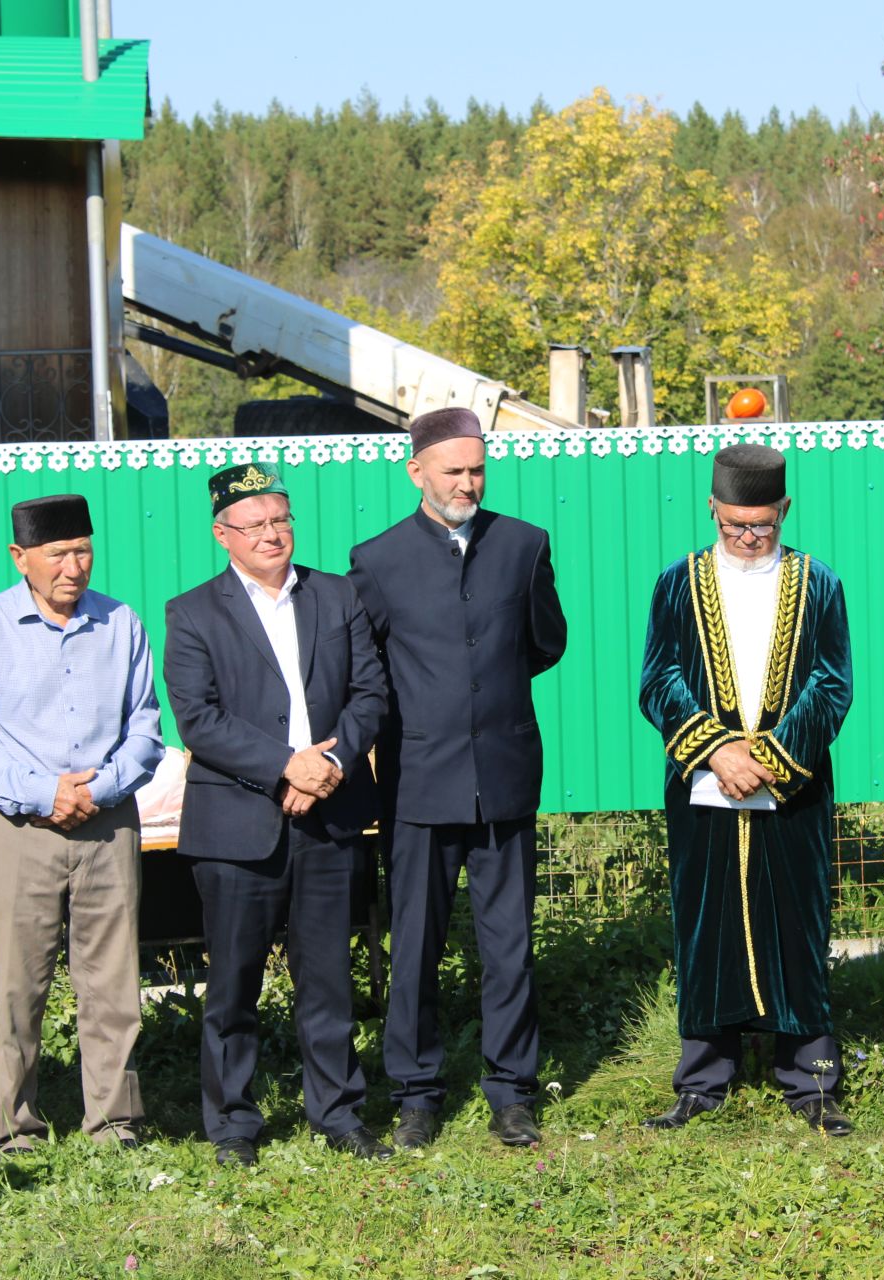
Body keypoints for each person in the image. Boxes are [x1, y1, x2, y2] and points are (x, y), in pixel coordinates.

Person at [349, 407, 567, 1150]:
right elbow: (365, 670)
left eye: (477, 470)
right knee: (414, 945)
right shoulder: (376, 561)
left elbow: (545, 642)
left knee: (509, 944)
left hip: (504, 776)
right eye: (454, 472)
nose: (468, 483)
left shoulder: (524, 545)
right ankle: (416, 1094)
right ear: (417, 473)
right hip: (417, 784)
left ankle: (511, 1092)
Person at [164, 462, 391, 1166]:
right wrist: (283, 767)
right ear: (222, 535)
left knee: (327, 979)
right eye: (255, 524)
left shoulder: (335, 595)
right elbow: (199, 720)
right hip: (237, 828)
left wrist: (326, 766)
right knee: (233, 985)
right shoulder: (193, 611)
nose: (272, 534)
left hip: (328, 817)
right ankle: (233, 1123)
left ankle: (339, 1113)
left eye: (281, 520)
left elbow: (370, 693)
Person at [637, 444, 856, 1136]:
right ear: (713, 510)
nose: (749, 538)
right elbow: (659, 678)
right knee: (706, 928)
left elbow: (831, 681)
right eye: (735, 525)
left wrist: (772, 757)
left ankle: (812, 1081)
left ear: (784, 511)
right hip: (704, 786)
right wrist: (716, 750)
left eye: (761, 524)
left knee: (798, 923)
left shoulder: (818, 583)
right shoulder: (678, 584)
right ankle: (703, 1079)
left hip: (793, 788)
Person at [0, 494, 166, 1155]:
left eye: (83, 551)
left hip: (108, 822)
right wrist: (44, 793)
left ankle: (114, 1121)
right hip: (21, 830)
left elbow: (145, 727)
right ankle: (14, 1125)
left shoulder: (121, 622)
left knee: (114, 979)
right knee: (18, 982)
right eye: (57, 555)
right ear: (20, 558)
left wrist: (97, 788)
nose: (73, 567)